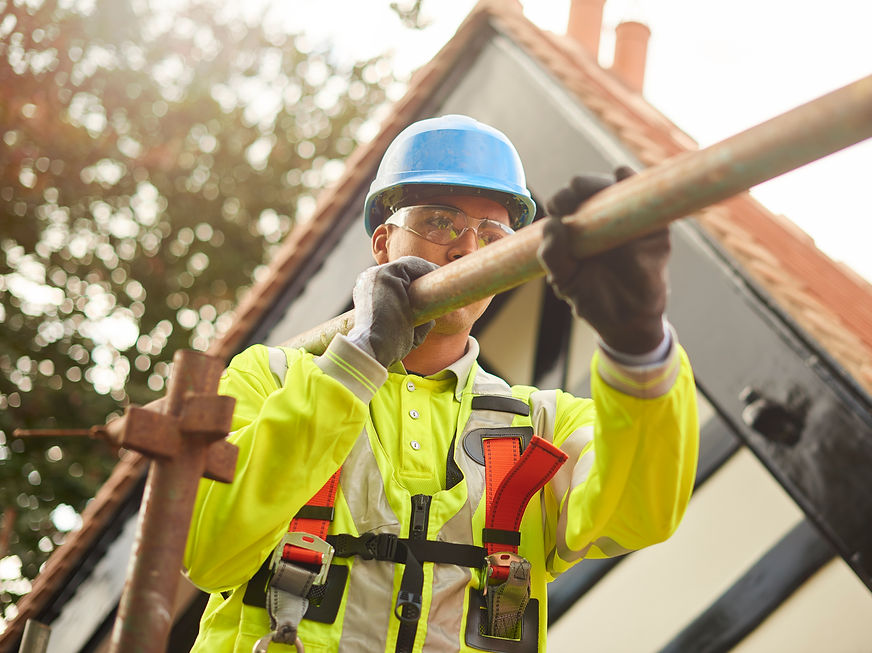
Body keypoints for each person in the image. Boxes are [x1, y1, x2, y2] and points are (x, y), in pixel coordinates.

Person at [183, 114, 698, 652]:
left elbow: (643, 512)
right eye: (439, 222)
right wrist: (357, 364)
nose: (466, 249)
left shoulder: (541, 425)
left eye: (494, 235)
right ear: (382, 244)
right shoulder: (271, 377)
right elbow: (210, 552)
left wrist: (639, 344)